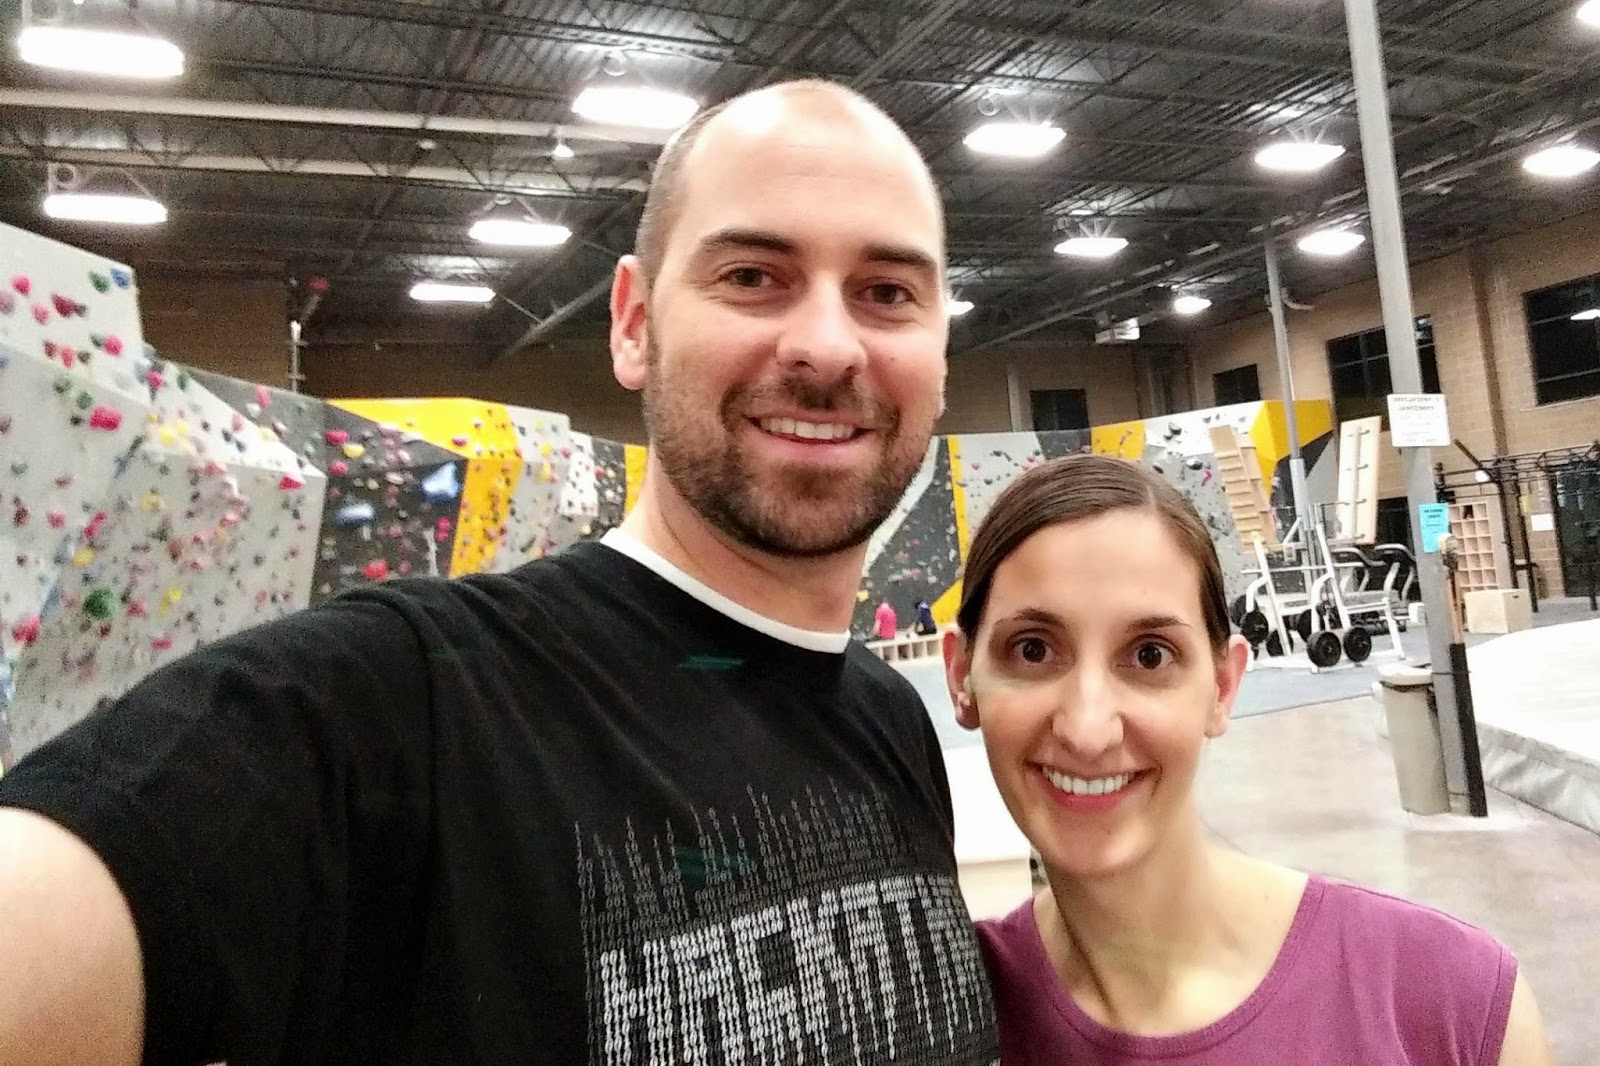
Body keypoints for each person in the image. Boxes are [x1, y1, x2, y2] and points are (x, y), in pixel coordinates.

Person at [0, 81, 999, 1066]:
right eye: (752, 275)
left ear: (941, 352)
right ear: (633, 323)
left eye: (886, 293)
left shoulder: (888, 722)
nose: (826, 346)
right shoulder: (396, 705)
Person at [941, 454, 1554, 1065]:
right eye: (1033, 649)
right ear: (961, 676)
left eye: (1150, 655)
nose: (1088, 730)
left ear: (1223, 687)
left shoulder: (1450, 1003)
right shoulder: (939, 1022)